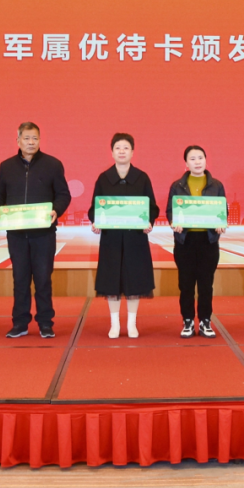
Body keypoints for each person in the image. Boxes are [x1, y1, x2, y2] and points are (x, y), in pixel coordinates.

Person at [0, 122, 71, 339]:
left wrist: (56, 210)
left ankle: (45, 323)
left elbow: (63, 194)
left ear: (40, 140)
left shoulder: (53, 165)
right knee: (20, 279)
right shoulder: (6, 166)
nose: (31, 142)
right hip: (16, 234)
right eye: (26, 138)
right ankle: (20, 323)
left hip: (43, 234)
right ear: (18, 141)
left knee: (43, 279)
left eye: (35, 138)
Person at [89, 133, 160, 339]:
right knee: (112, 280)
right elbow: (95, 208)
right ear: (112, 152)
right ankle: (114, 324)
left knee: (134, 280)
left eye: (126, 148)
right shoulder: (104, 178)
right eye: (118, 148)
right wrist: (96, 222)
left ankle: (131, 324)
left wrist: (149, 222)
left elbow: (152, 207)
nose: (122, 151)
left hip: (135, 239)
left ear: (132, 152)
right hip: (111, 239)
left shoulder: (142, 177)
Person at [167, 145, 227, 339]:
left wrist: (221, 223)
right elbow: (171, 210)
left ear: (206, 160)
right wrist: (174, 222)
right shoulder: (177, 186)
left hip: (208, 241)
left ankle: (205, 321)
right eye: (192, 159)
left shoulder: (216, 185)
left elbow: (222, 210)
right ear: (186, 163)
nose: (197, 162)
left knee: (206, 284)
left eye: (200, 157)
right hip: (185, 241)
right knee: (185, 284)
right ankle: (187, 321)